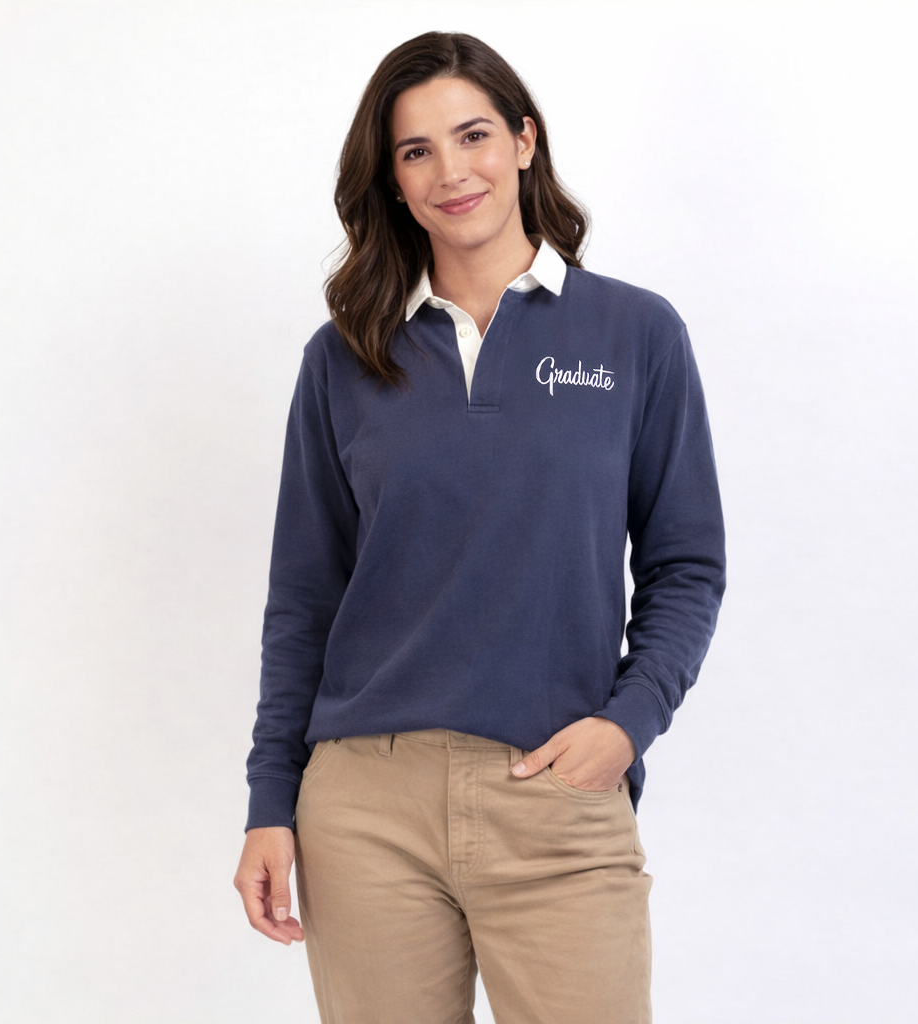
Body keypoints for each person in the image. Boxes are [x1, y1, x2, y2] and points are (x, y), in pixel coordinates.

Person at [234, 30, 725, 1024]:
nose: (451, 172)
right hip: (364, 809)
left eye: (473, 136)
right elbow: (304, 598)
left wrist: (626, 726)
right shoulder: (343, 359)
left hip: (556, 790)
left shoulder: (635, 334)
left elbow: (686, 564)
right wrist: (269, 802)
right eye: (416, 151)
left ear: (524, 141)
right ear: (392, 181)